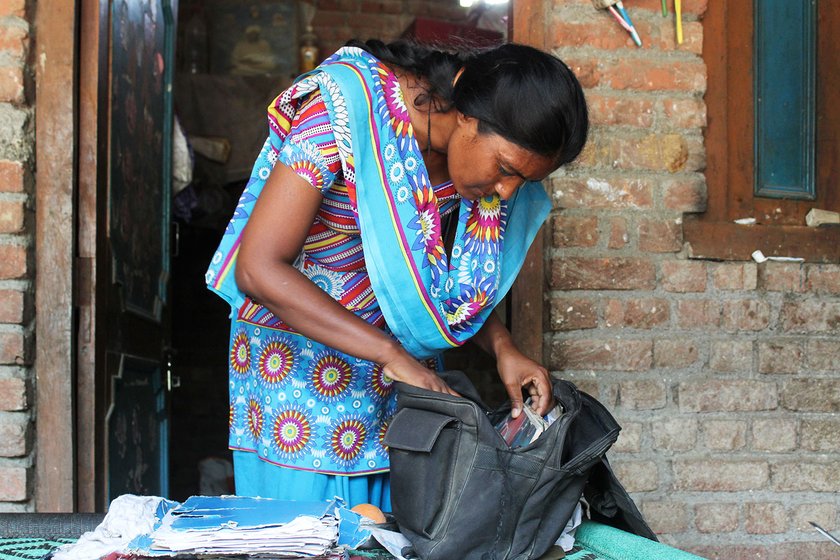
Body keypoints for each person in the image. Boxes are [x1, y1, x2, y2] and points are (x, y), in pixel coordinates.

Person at [205, 38, 588, 509]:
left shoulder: (468, 174)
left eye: (523, 182)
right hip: (299, 379)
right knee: (310, 537)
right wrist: (389, 354)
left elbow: (434, 281)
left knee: (394, 536)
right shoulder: (343, 112)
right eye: (506, 168)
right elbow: (259, 269)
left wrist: (504, 348)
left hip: (400, 388)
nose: (507, 193)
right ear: (467, 110)